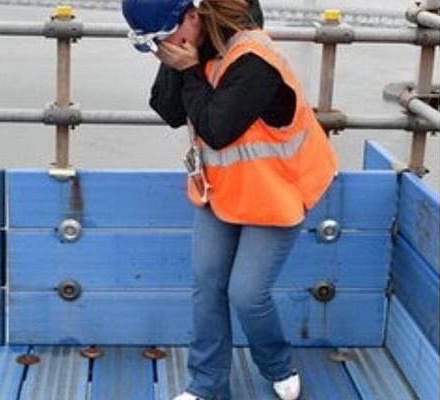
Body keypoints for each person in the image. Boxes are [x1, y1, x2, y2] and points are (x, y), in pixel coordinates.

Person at [122, 0, 338, 399]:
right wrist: (175, 63)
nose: (159, 49)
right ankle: (205, 386)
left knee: (247, 293)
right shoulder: (192, 42)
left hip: (277, 192)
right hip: (223, 189)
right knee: (207, 283)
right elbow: (168, 110)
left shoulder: (254, 61)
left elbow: (217, 128)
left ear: (191, 16)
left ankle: (277, 364)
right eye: (150, 44)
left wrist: (188, 71)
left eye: (160, 40)